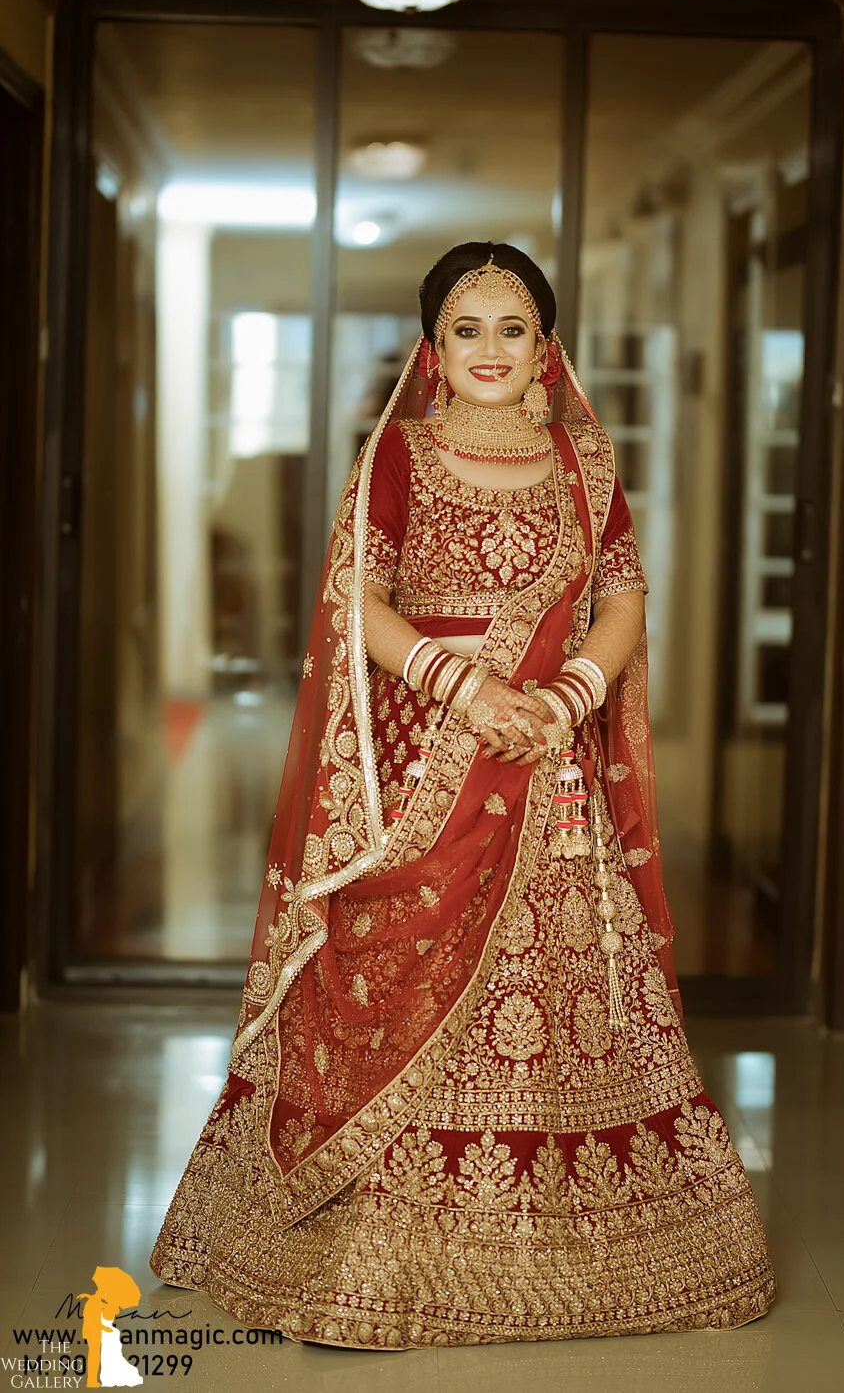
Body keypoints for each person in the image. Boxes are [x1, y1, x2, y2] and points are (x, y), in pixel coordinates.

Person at [150, 241, 776, 1349]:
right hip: (423, 755)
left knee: (570, 980)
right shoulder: (397, 452)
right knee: (390, 968)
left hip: (552, 759)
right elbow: (358, 602)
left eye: (513, 328)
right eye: (467, 329)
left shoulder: (587, 463)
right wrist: (466, 688)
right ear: (432, 349)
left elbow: (624, 600)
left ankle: (574, 1250)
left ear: (547, 346)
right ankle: (369, 1258)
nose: (491, 350)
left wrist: (569, 692)